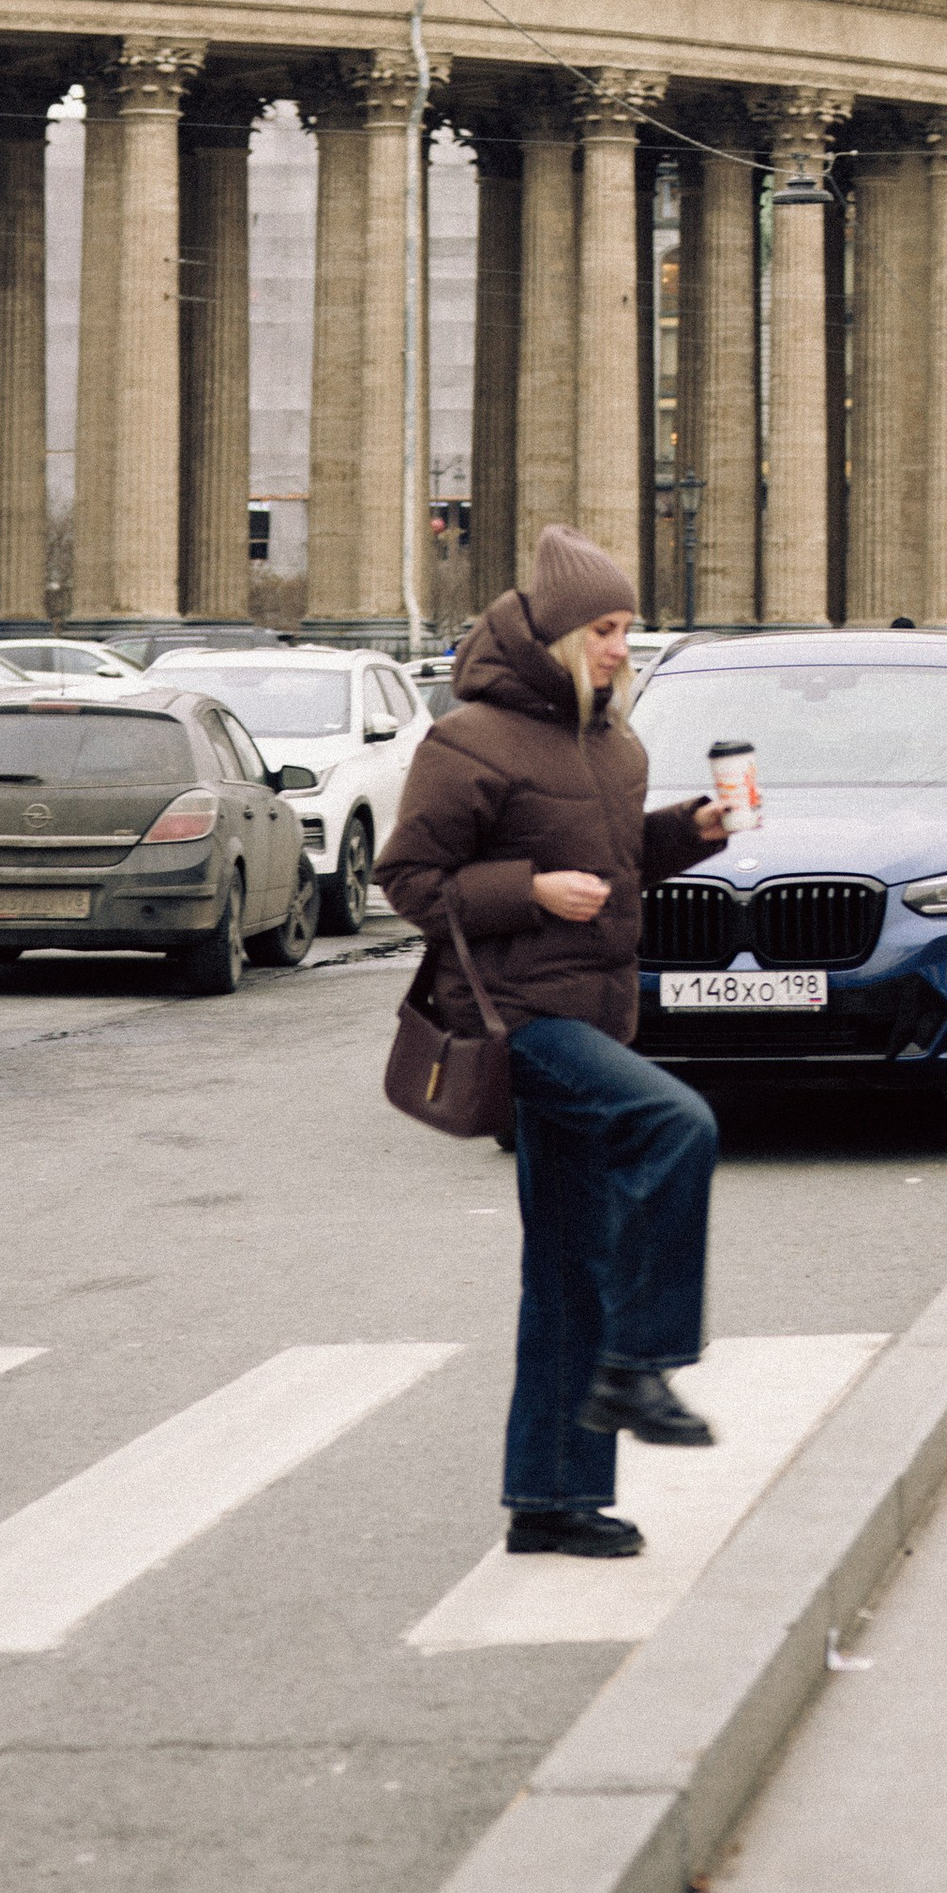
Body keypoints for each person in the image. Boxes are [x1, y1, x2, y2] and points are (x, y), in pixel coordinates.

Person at [382, 523, 727, 1563]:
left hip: (594, 1013)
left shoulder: (612, 743)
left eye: (625, 627)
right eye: (608, 628)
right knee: (678, 1121)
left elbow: (613, 868)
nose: (624, 645)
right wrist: (525, 889)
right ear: (560, 635)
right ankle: (644, 1359)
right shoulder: (472, 740)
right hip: (514, 1021)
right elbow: (406, 882)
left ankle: (549, 1500)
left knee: (569, 1270)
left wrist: (686, 833)